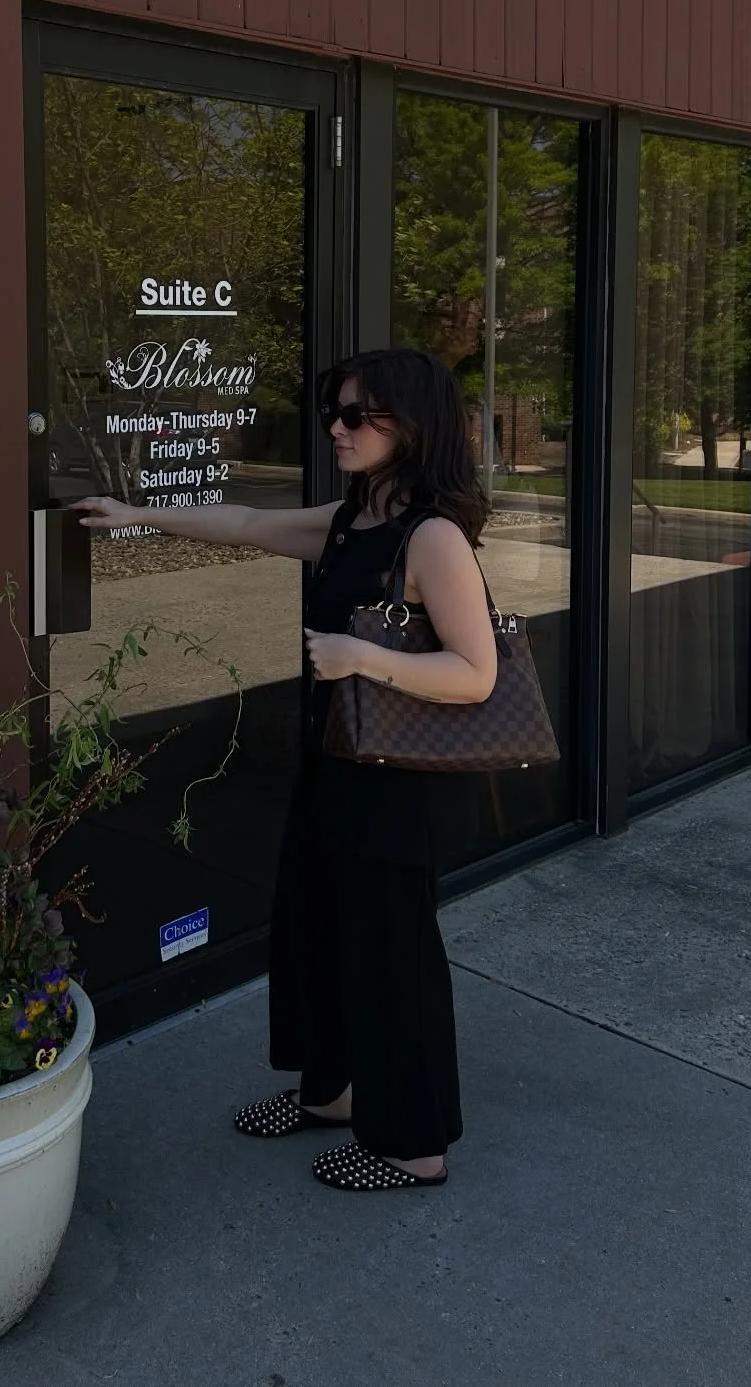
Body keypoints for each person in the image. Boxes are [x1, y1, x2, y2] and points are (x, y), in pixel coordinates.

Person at [75, 348, 497, 1192]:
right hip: (333, 765)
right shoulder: (352, 518)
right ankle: (334, 1093)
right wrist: (134, 512)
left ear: (412, 427)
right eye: (334, 413)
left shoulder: (434, 537)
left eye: (356, 416)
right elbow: (246, 525)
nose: (336, 429)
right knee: (317, 933)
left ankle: (413, 1145)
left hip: (393, 781)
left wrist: (358, 657)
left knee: (392, 958)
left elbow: (476, 672)